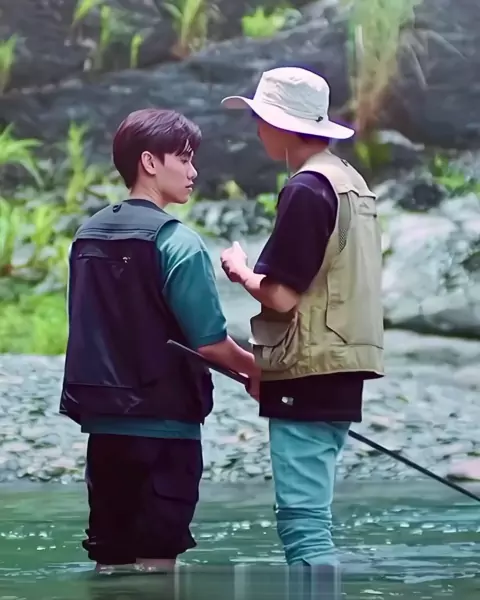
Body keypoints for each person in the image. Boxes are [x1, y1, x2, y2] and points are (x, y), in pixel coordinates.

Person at [59, 108, 259, 573]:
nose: (193, 172)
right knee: (156, 566)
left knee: (110, 561)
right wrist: (260, 371)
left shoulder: (86, 236)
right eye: (184, 159)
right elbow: (210, 343)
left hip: (104, 430)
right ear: (149, 162)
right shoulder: (178, 242)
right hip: (166, 430)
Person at [219, 67, 385, 567]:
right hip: (344, 366)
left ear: (282, 125)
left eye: (261, 119)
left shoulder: (306, 189)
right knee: (314, 520)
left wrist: (240, 271)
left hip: (307, 370)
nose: (257, 129)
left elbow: (282, 296)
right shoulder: (352, 183)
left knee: (305, 531)